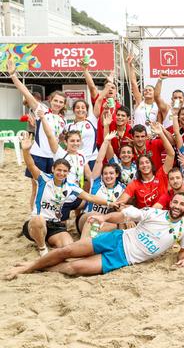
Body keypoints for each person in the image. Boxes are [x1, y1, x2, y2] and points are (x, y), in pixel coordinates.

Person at [6, 193, 184, 279]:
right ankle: (28, 267)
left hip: (124, 258)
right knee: (69, 250)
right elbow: (125, 214)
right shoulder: (154, 213)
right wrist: (105, 217)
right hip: (118, 238)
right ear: (171, 203)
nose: (177, 206)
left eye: (181, 204)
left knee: (75, 268)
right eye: (175, 202)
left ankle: (39, 267)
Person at [19, 135, 115, 256]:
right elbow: (31, 165)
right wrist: (26, 151)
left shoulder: (70, 186)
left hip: (55, 225)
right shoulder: (43, 178)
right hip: (37, 223)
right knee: (38, 220)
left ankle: (49, 241)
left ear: (68, 173)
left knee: (69, 245)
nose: (61, 173)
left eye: (65, 171)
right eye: (59, 170)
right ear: (53, 169)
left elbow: (90, 197)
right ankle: (42, 248)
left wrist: (109, 202)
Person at [8, 57, 67, 210]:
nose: (58, 104)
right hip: (38, 155)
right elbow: (26, 93)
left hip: (54, 158)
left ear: (64, 105)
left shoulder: (63, 120)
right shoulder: (41, 109)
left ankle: (49, 213)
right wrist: (13, 75)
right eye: (56, 100)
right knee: (36, 187)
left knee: (52, 187)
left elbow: (60, 138)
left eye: (61, 102)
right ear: (50, 100)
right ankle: (33, 215)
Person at [77, 132, 127, 236]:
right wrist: (105, 142)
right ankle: (89, 239)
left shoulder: (122, 188)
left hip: (105, 223)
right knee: (95, 216)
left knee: (120, 223)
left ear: (117, 174)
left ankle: (96, 239)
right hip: (87, 219)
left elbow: (121, 208)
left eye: (111, 173)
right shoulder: (96, 182)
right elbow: (99, 161)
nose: (108, 176)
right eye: (105, 173)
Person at [116, 123, 175, 208]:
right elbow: (119, 204)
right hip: (140, 189)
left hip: (160, 180)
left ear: (146, 137)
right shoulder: (130, 153)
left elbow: (171, 149)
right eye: (137, 136)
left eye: (142, 136)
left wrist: (161, 133)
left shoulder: (154, 143)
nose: (140, 139)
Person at [128, 56, 159, 131]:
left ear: (154, 93)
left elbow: (159, 124)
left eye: (150, 90)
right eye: (145, 90)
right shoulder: (140, 102)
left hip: (151, 137)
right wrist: (130, 66)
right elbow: (134, 83)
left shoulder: (157, 107)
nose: (147, 91)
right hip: (137, 136)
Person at [66, 99, 98, 170]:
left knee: (92, 180)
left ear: (86, 110)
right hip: (76, 158)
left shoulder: (92, 120)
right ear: (74, 110)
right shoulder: (68, 126)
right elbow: (62, 139)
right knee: (77, 180)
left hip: (92, 158)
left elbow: (98, 100)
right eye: (77, 107)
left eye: (83, 107)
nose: (80, 109)